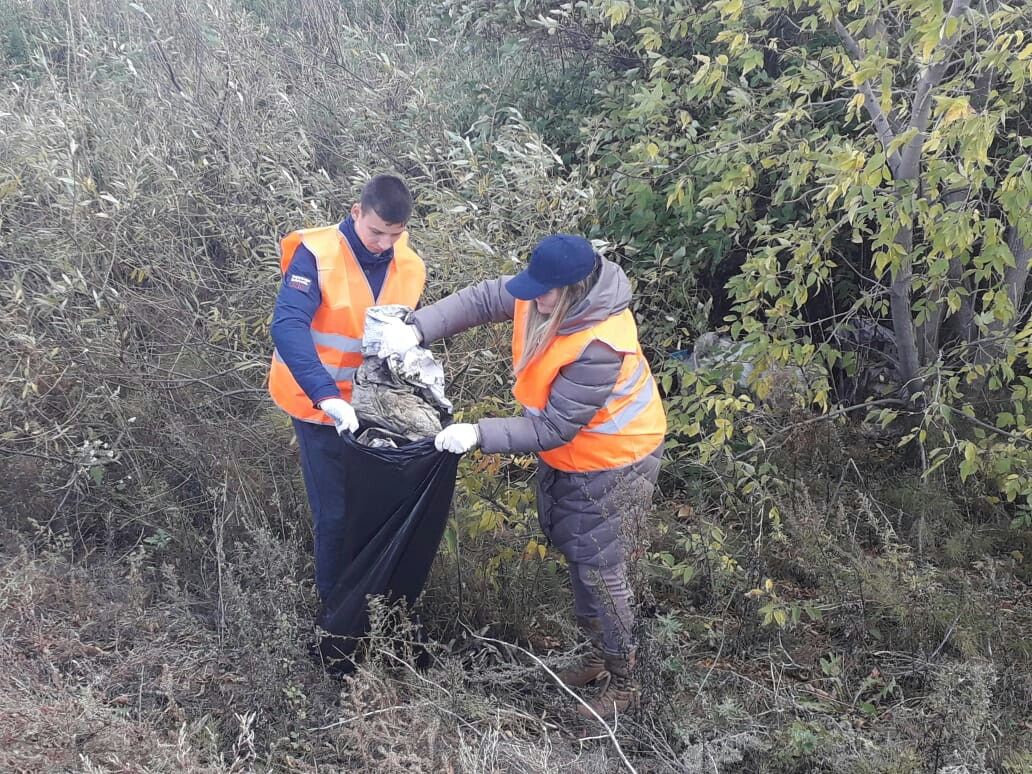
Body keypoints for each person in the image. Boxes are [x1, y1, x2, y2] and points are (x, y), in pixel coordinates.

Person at [378, 234, 666, 718]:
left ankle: (625, 683)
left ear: (572, 290)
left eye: (542, 292)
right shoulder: (546, 294)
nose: (530, 298)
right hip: (578, 455)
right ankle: (597, 658)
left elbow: (554, 426)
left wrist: (479, 433)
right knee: (579, 553)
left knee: (600, 569)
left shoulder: (600, 346)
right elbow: (484, 298)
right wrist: (417, 328)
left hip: (618, 460)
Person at [269, 175, 425, 602]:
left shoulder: (409, 265)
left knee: (374, 509)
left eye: (394, 235)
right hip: (319, 406)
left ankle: (371, 604)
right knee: (335, 515)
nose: (382, 243)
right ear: (356, 212)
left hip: (377, 406)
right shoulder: (316, 255)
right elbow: (287, 326)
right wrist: (327, 395)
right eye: (375, 231)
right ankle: (334, 618)